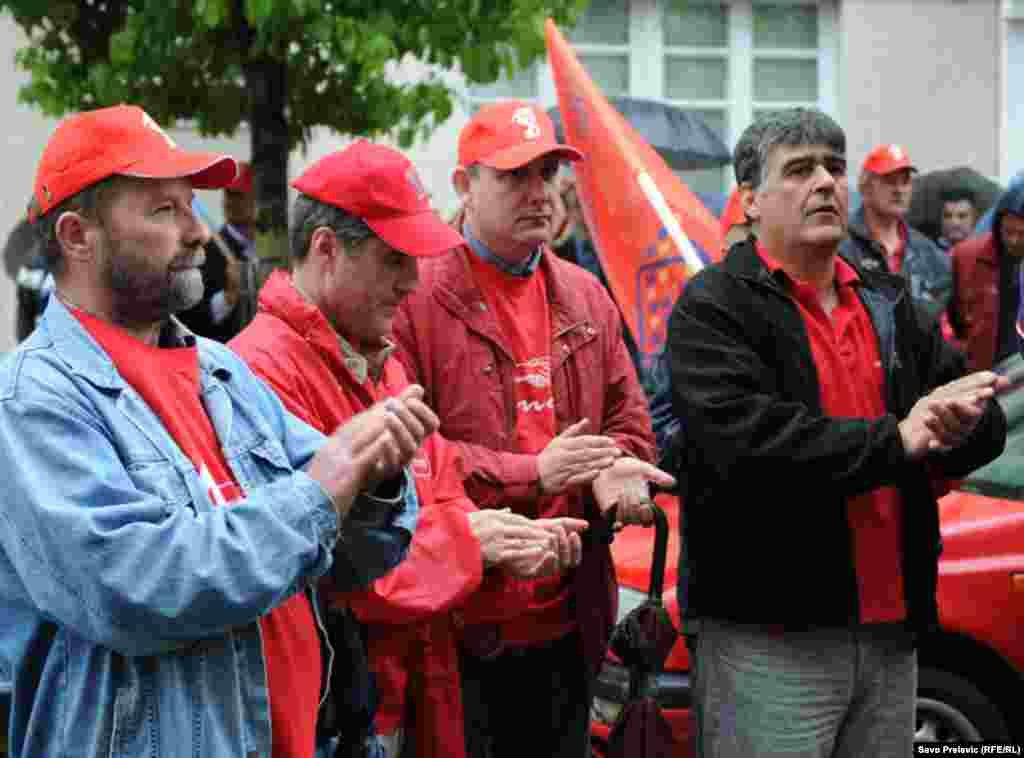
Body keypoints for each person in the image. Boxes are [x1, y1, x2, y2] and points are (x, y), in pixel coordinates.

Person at [0, 104, 435, 758]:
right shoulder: (33, 398)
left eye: (191, 207)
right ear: (77, 236)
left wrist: (376, 478)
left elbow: (348, 556)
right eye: (164, 211)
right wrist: (326, 485)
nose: (200, 232)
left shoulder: (218, 369)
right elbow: (132, 590)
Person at [667, 107, 1007, 758]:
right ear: (750, 201)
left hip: (891, 633)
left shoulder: (887, 298)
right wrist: (897, 439)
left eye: (834, 167)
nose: (825, 181)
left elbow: (968, 404)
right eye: (799, 170)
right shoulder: (714, 306)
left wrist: (964, 422)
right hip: (770, 638)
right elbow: (749, 445)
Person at [230, 139, 588, 758]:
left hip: (399, 696)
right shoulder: (262, 372)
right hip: (333, 712)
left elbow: (439, 486)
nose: (412, 283)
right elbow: (324, 561)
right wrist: (471, 543)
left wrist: (483, 537)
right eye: (396, 260)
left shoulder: (377, 357)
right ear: (327, 250)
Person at [392, 100, 673, 758]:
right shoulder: (414, 294)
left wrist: (612, 473)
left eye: (548, 173)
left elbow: (629, 428)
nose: (539, 193)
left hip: (571, 622)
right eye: (514, 175)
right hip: (455, 624)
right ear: (463, 186)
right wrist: (533, 472)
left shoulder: (586, 294)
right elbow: (406, 457)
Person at [840, 143, 952, 321]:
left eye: (905, 181)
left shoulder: (931, 255)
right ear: (866, 186)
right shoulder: (840, 247)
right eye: (889, 180)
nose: (899, 189)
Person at [948, 182, 1024, 371]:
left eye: (1022, 234)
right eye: (1008, 232)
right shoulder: (966, 257)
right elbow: (952, 320)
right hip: (982, 376)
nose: (1014, 240)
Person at [178, 161, 257, 341]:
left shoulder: (272, 252)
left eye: (239, 195)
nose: (231, 202)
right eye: (229, 194)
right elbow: (189, 319)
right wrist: (227, 297)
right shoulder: (206, 250)